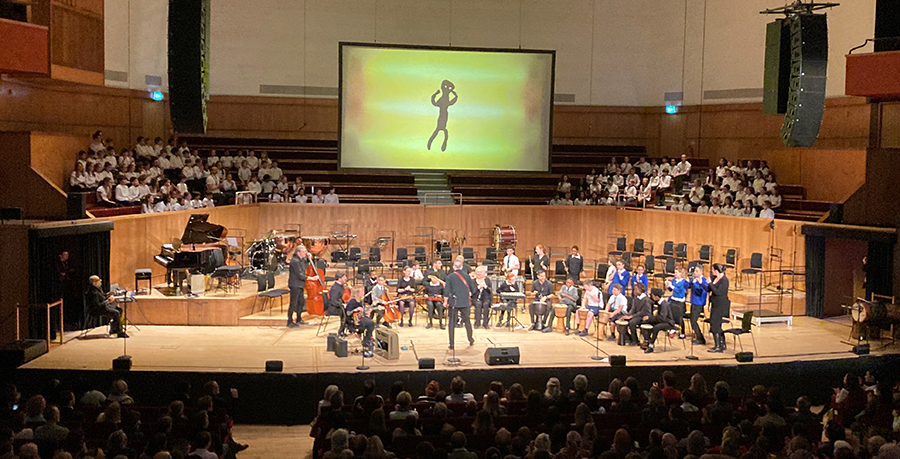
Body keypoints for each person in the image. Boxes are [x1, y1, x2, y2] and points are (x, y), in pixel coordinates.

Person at [444, 256, 475, 350]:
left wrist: (445, 301)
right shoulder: (467, 276)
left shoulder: (450, 277)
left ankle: (452, 344)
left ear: (454, 267)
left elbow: (446, 290)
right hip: (465, 302)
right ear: (461, 267)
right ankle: (470, 339)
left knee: (451, 323)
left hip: (454, 302)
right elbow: (473, 289)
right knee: (467, 321)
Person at [344, 285, 375, 357]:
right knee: (370, 323)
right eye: (362, 291)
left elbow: (363, 314)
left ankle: (368, 339)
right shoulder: (352, 301)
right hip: (354, 322)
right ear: (357, 293)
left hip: (361, 319)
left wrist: (368, 312)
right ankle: (367, 340)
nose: (363, 293)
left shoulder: (361, 301)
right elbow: (348, 313)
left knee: (370, 322)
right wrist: (356, 309)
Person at [288, 244, 314, 327]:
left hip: (300, 285)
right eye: (304, 252)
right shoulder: (295, 261)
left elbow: (305, 267)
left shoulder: (301, 260)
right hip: (295, 285)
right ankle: (289, 321)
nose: (305, 253)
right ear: (298, 252)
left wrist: (309, 259)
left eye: (306, 251)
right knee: (293, 303)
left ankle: (299, 319)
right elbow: (300, 275)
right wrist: (311, 279)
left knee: (301, 302)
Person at [643, 288, 675, 353]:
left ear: (656, 297)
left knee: (656, 327)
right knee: (646, 322)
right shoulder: (659, 302)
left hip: (668, 322)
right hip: (662, 320)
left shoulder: (664, 304)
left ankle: (651, 346)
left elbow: (662, 318)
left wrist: (650, 318)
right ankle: (647, 340)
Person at [707, 264, 731, 353]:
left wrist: (710, 284)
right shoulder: (715, 279)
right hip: (714, 304)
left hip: (720, 305)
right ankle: (722, 344)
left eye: (713, 270)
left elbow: (718, 292)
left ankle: (718, 346)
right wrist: (704, 284)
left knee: (716, 325)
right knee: (714, 324)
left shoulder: (724, 281)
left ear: (717, 270)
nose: (712, 272)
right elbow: (709, 289)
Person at [688, 266, 709, 345]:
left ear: (701, 272)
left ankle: (700, 338)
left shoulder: (704, 281)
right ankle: (698, 337)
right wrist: (690, 282)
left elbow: (700, 291)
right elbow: (688, 286)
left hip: (699, 303)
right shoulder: (694, 279)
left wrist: (695, 284)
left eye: (696, 271)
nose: (694, 272)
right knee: (692, 320)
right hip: (693, 302)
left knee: (693, 321)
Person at [665, 267, 688, 339]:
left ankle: (682, 333)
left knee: (680, 318)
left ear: (681, 273)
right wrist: (667, 285)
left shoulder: (684, 282)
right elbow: (670, 290)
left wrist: (672, 286)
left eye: (676, 272)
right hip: (673, 299)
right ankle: (672, 329)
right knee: (671, 316)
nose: (675, 274)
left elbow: (680, 291)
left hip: (680, 301)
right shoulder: (674, 280)